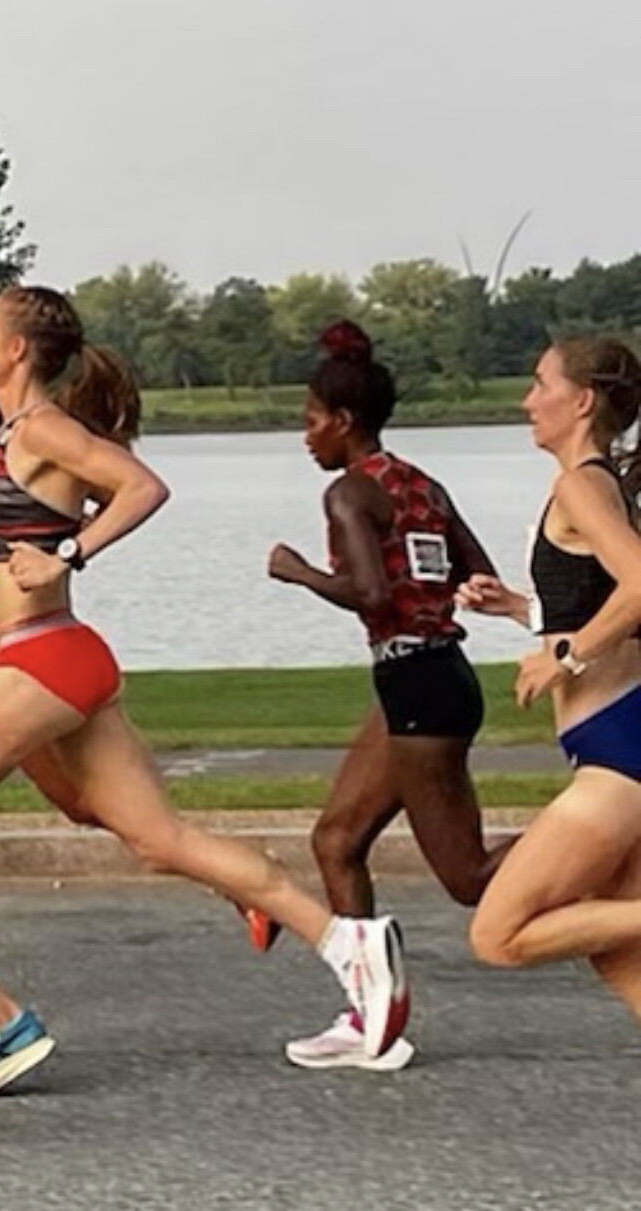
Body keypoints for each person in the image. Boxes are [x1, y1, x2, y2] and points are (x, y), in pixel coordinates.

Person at [0, 286, 409, 1097]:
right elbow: (12, 555)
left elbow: (143, 487)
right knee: (161, 839)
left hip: (40, 660)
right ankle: (347, 947)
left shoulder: (44, 427)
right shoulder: (13, 436)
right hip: (55, 655)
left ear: (17, 350)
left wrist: (72, 554)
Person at [265, 320, 510, 1070]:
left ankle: (611, 844)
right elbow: (478, 573)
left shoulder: (349, 492)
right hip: (433, 677)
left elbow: (370, 593)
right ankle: (368, 1011)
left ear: (343, 421)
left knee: (469, 878)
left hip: (418, 688)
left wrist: (300, 571)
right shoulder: (421, 484)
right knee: (336, 841)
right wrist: (426, 598)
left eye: (312, 421)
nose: (306, 436)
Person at [457, 337, 641, 1019]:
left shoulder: (580, 485)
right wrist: (521, 609)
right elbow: (605, 607)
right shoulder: (603, 484)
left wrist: (567, 658)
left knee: (499, 934)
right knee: (619, 950)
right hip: (620, 739)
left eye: (541, 384)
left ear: (582, 400)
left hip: (620, 755)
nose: (527, 400)